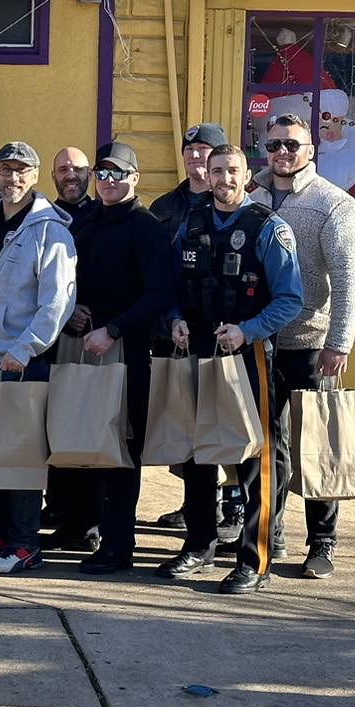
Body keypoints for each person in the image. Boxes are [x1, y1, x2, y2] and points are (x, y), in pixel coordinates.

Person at [159, 144, 303, 594]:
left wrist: (250, 330)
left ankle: (254, 559)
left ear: (247, 175)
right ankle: (198, 544)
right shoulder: (192, 222)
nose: (223, 178)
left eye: (232, 170)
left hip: (247, 355)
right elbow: (171, 286)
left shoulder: (268, 228)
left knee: (254, 454)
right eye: (216, 169)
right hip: (197, 349)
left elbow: (290, 299)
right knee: (195, 449)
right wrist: (174, 319)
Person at [254, 113, 355, 580]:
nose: (284, 152)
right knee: (265, 446)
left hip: (311, 344)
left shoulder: (333, 204)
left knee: (318, 446)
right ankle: (269, 531)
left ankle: (322, 543)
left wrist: (339, 342)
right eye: (276, 144)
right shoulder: (250, 196)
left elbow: (348, 278)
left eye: (293, 145)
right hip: (258, 342)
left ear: (311, 151)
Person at [61, 142, 175, 574]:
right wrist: (71, 310)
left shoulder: (147, 229)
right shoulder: (85, 222)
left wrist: (114, 329)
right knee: (85, 439)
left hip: (126, 350)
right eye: (102, 175)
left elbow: (159, 294)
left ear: (135, 178)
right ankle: (84, 527)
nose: (109, 183)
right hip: (81, 344)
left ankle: (118, 545)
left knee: (121, 449)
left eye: (118, 174)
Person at [0, 141, 76, 575]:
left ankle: (26, 544)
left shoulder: (51, 230)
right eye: (5, 169)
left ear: (34, 178)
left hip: (21, 361)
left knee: (22, 458)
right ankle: (4, 536)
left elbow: (58, 302)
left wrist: (24, 348)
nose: (11, 178)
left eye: (21, 171)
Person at [147, 121, 229, 532]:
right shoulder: (163, 207)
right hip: (174, 331)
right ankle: (195, 504)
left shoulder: (235, 205)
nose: (196, 157)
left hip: (221, 335)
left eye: (204, 150)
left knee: (224, 424)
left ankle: (231, 507)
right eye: (190, 150)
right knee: (181, 425)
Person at [40, 144, 101, 543]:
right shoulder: (42, 219)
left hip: (97, 338)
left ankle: (92, 519)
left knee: (92, 428)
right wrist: (65, 313)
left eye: (78, 168)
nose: (71, 175)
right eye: (63, 169)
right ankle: (59, 507)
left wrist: (90, 312)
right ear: (54, 177)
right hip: (53, 338)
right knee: (53, 426)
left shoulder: (103, 216)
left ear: (90, 174)